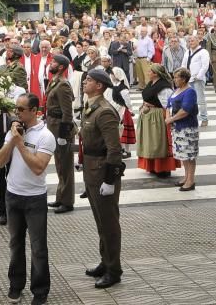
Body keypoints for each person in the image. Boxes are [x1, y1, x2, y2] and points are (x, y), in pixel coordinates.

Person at [0, 93, 55, 305]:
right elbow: (0, 162)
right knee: (15, 243)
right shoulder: (14, 132)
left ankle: (40, 291)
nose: (16, 113)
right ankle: (15, 285)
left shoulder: (45, 136)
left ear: (34, 111)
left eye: (20, 109)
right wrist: (12, 140)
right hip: (13, 195)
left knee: (38, 247)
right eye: (15, 108)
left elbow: (39, 167)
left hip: (35, 199)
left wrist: (20, 143)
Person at [79, 69, 124, 289]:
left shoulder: (105, 111)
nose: (84, 82)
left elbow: (114, 150)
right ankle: (105, 262)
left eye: (89, 80)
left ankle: (114, 270)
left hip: (102, 172)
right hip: (91, 170)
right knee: (100, 222)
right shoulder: (90, 107)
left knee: (109, 224)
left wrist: (109, 179)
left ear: (99, 86)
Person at [0, 46, 28, 226]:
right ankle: (2, 210)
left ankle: (15, 208)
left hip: (12, 134)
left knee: (14, 172)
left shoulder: (18, 92)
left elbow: (21, 111)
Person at [43, 54, 75, 213]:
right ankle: (60, 197)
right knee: (59, 164)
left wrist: (63, 135)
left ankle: (67, 202)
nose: (51, 63)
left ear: (61, 67)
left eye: (54, 62)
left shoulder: (63, 85)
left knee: (66, 166)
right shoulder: (55, 80)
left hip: (61, 128)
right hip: (53, 126)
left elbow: (67, 113)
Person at [136, 65, 179, 178]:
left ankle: (163, 169)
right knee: (150, 143)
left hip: (157, 117)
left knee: (158, 143)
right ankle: (153, 167)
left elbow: (168, 105)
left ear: (156, 73)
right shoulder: (151, 83)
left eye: (150, 71)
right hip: (149, 117)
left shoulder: (164, 87)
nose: (148, 72)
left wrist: (152, 105)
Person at [165, 68, 199, 191]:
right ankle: (186, 177)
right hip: (177, 128)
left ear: (184, 79)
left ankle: (191, 180)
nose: (174, 80)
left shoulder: (190, 92)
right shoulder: (176, 90)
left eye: (176, 77)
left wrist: (171, 119)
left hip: (187, 127)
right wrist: (168, 117)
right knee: (183, 154)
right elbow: (168, 105)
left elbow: (185, 110)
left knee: (189, 155)